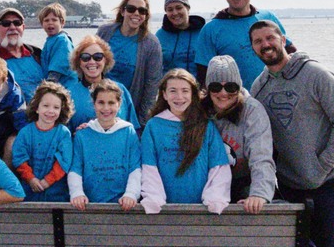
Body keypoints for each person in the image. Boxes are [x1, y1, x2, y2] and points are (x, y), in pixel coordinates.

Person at [249, 20, 334, 247]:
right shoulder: (259, 87)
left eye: (270, 38)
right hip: (289, 187)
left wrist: (322, 166)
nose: (265, 44)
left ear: (284, 40)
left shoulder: (316, 74)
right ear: (253, 49)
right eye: (258, 41)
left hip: (328, 182)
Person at [140, 69, 231, 215]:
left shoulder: (205, 125)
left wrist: (215, 198)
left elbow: (218, 166)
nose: (179, 97)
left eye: (185, 91)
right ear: (164, 94)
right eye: (173, 91)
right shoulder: (154, 126)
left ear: (192, 94)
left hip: (201, 210)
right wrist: (154, 198)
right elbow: (148, 167)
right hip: (164, 211)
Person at [195, 0, 296, 90]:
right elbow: (203, 74)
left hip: (278, 94)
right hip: (237, 100)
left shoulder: (268, 18)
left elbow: (291, 51)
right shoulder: (210, 29)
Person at [200, 55, 276, 214]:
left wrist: (258, 194)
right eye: (215, 87)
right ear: (207, 89)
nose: (223, 93)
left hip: (243, 181)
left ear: (239, 87)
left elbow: (261, 155)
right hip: (208, 183)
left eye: (230, 87)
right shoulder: (198, 110)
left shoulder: (252, 110)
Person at [68, 80, 141, 211]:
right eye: (101, 102)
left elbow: (135, 168)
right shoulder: (82, 135)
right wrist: (77, 193)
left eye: (111, 103)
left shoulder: (128, 132)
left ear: (119, 104)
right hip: (89, 205)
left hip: (122, 205)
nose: (106, 108)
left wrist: (131, 194)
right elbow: (75, 169)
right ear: (93, 104)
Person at [96, 0, 162, 127]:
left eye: (142, 11)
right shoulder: (105, 32)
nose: (136, 13)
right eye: (131, 9)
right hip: (100, 105)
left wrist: (142, 121)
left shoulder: (151, 44)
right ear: (122, 11)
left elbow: (152, 86)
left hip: (128, 110)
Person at [12, 81, 74, 202]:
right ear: (36, 108)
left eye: (56, 107)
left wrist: (47, 181)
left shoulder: (63, 133)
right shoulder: (25, 132)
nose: (51, 111)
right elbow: (19, 158)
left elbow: (64, 162)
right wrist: (31, 179)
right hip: (29, 190)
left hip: (56, 194)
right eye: (46, 106)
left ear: (62, 110)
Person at [65, 35, 139, 132]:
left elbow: (134, 129)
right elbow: (63, 133)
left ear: (106, 60)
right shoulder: (68, 94)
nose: (92, 62)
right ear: (78, 62)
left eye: (98, 57)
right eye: (85, 57)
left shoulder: (120, 90)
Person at [156, 0, 205, 76]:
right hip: (170, 87)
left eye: (179, 8)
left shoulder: (204, 33)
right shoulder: (159, 36)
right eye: (170, 10)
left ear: (188, 8)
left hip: (199, 87)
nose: (175, 13)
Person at [38, 3, 78, 87]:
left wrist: (48, 87)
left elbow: (57, 69)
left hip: (66, 85)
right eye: (46, 20)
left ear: (62, 22)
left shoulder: (62, 40)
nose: (50, 23)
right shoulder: (51, 40)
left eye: (54, 20)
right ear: (42, 24)